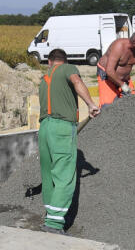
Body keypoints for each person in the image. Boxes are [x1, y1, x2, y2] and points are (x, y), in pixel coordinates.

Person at [38, 48, 100, 234]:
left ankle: (50, 214)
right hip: (62, 128)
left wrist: (88, 169)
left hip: (44, 129)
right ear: (63, 61)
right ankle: (54, 224)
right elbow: (76, 80)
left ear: (49, 62)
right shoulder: (67, 69)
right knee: (65, 175)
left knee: (48, 175)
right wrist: (90, 104)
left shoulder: (43, 78)